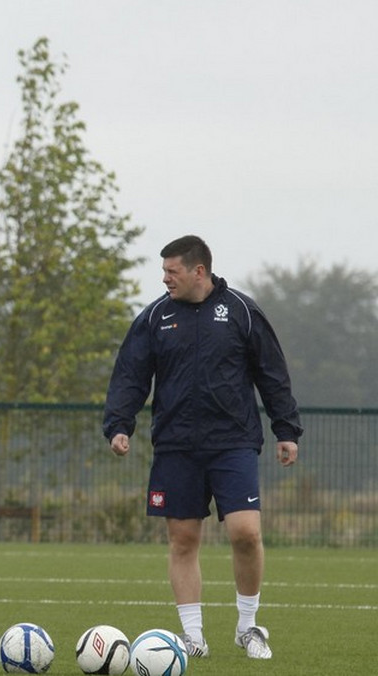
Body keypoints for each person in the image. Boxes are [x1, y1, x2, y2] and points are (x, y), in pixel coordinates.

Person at [103, 235, 301, 661]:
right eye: (163, 271)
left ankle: (249, 628)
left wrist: (286, 429)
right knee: (183, 540)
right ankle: (192, 637)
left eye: (172, 271)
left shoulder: (242, 312)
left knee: (246, 533)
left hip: (233, 443)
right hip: (176, 445)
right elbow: (131, 374)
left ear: (199, 271)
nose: (164, 279)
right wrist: (119, 424)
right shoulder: (156, 316)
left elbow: (272, 372)